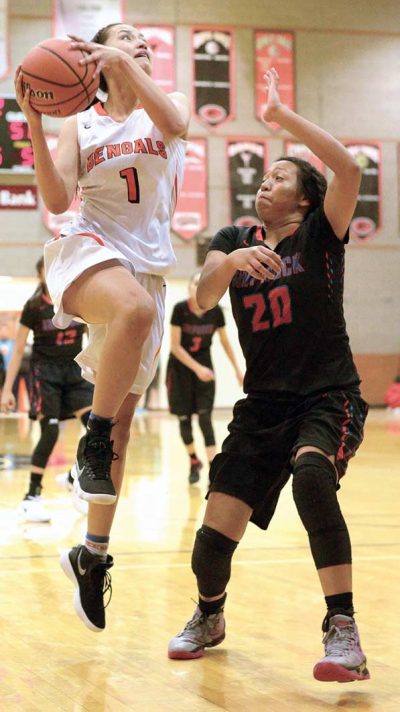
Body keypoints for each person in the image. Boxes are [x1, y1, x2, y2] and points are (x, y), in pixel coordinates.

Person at [168, 68, 370, 684]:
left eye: (280, 176)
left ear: (304, 198)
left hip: (327, 394)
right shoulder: (233, 238)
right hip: (262, 406)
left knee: (313, 477)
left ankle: (344, 633)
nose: (265, 181)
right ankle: (210, 615)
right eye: (265, 174)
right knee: (213, 534)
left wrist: (281, 119)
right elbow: (201, 300)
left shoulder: (321, 233)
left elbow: (351, 171)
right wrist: (228, 261)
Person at [15, 23, 190, 631]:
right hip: (84, 247)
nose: (139, 42)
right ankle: (88, 439)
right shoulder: (80, 124)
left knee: (122, 426)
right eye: (124, 37)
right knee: (130, 325)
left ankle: (92, 556)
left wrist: (122, 60)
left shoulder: (165, 108)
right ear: (92, 59)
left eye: (143, 40)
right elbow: (59, 200)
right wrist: (34, 122)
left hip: (146, 269)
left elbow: (178, 125)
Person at [0, 257, 93, 522]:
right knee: (50, 430)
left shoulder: (77, 300)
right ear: (41, 276)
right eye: (47, 273)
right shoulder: (33, 306)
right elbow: (18, 349)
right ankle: (31, 496)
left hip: (75, 371)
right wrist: (7, 390)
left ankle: (74, 475)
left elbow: (94, 336)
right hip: (45, 374)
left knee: (97, 427)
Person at [166, 272, 243, 483]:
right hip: (180, 370)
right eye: (196, 283)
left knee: (204, 418)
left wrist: (238, 369)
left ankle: (213, 469)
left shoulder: (216, 311)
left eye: (202, 283)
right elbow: (175, 346)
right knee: (185, 420)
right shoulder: (180, 310)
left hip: (205, 370)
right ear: (189, 288)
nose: (198, 286)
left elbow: (226, 342)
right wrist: (196, 368)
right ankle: (193, 461)